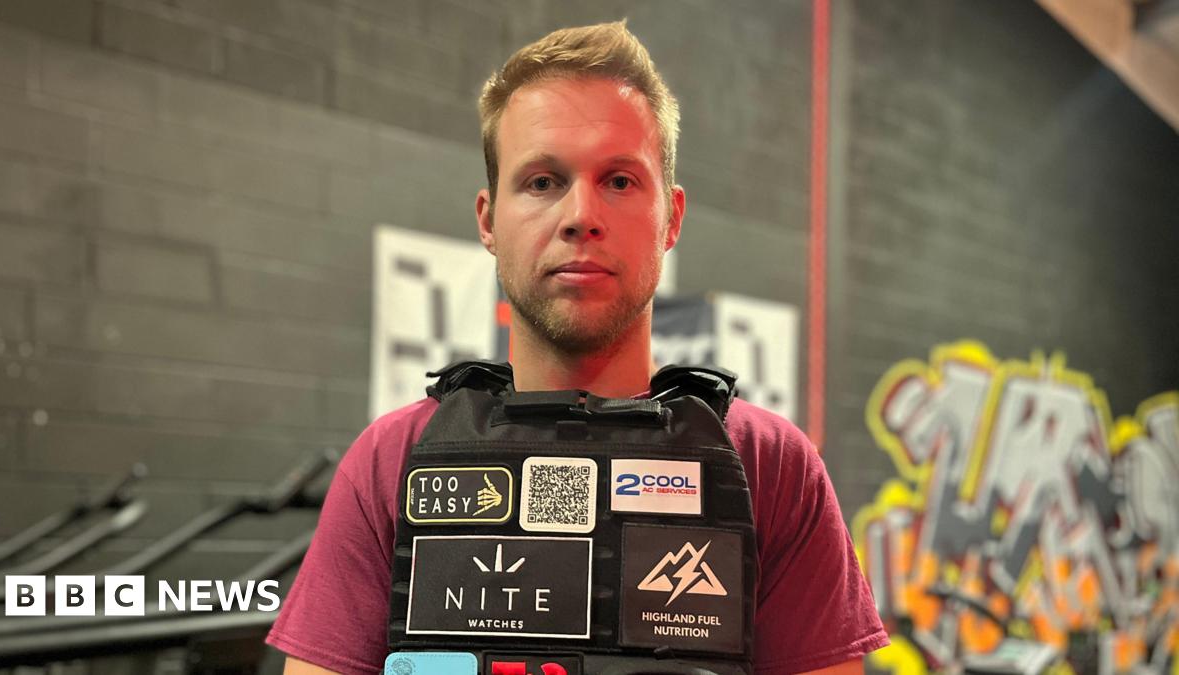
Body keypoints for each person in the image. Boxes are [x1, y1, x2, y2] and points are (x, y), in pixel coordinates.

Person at [268, 21, 887, 675]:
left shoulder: (769, 465)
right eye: (542, 181)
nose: (581, 215)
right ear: (488, 219)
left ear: (672, 218)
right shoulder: (389, 462)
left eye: (619, 181)